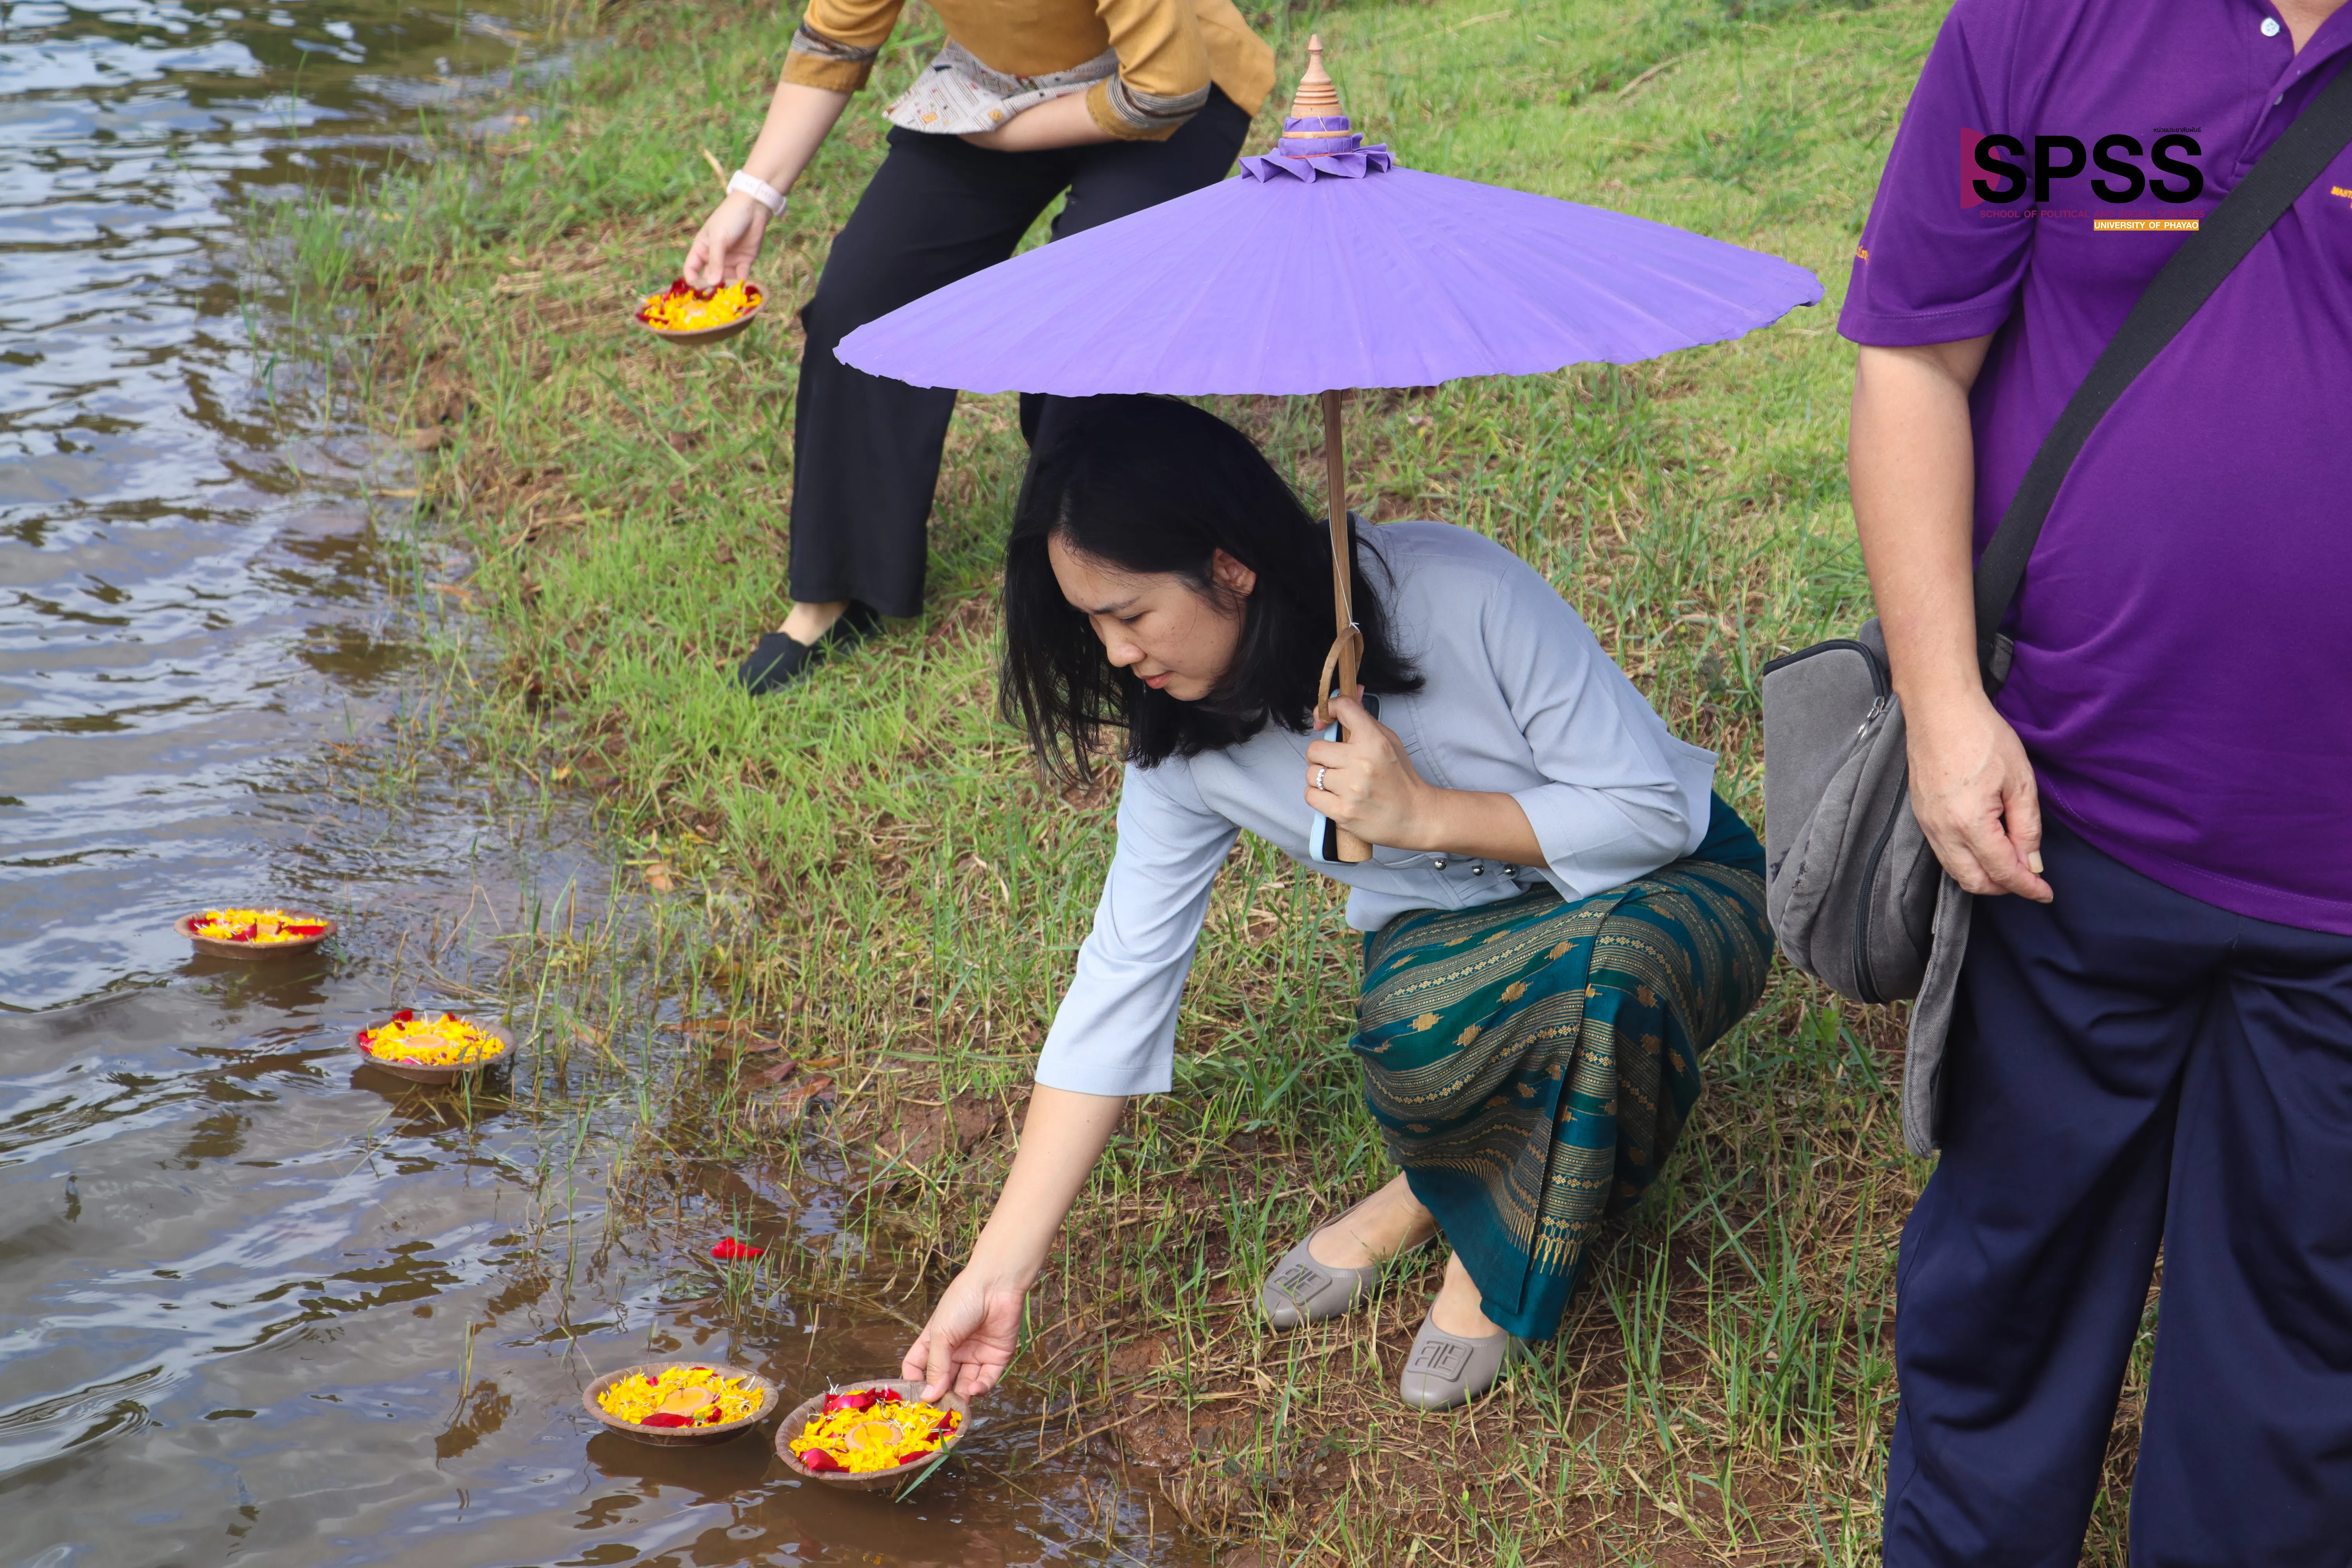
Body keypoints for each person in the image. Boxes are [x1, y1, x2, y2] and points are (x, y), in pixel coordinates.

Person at [894, 396, 1773, 1411]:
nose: (1115, 654)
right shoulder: (1183, 747)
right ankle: (1440, 1184)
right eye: (1091, 623)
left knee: (1610, 982)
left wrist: (1432, 815)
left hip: (1662, 883)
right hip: (1461, 940)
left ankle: (1483, 1256)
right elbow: (1121, 982)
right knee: (1410, 1032)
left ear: (1229, 565)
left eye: (1130, 615)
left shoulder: (1458, 588)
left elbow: (1654, 813)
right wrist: (996, 1271)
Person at [1841, 0, 2352, 1560]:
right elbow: (1915, 361)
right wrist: (1941, 708)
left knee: (2302, 1364)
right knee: (2007, 1286)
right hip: (2063, 823)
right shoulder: (2049, 30)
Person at [680, 0, 1272, 695]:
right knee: (865, 302)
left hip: (1173, 92)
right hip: (1000, 85)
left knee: (1080, 317)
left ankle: (1089, 583)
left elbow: (1166, 91)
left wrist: (1007, 136)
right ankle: (839, 589)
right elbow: (836, 38)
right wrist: (752, 197)